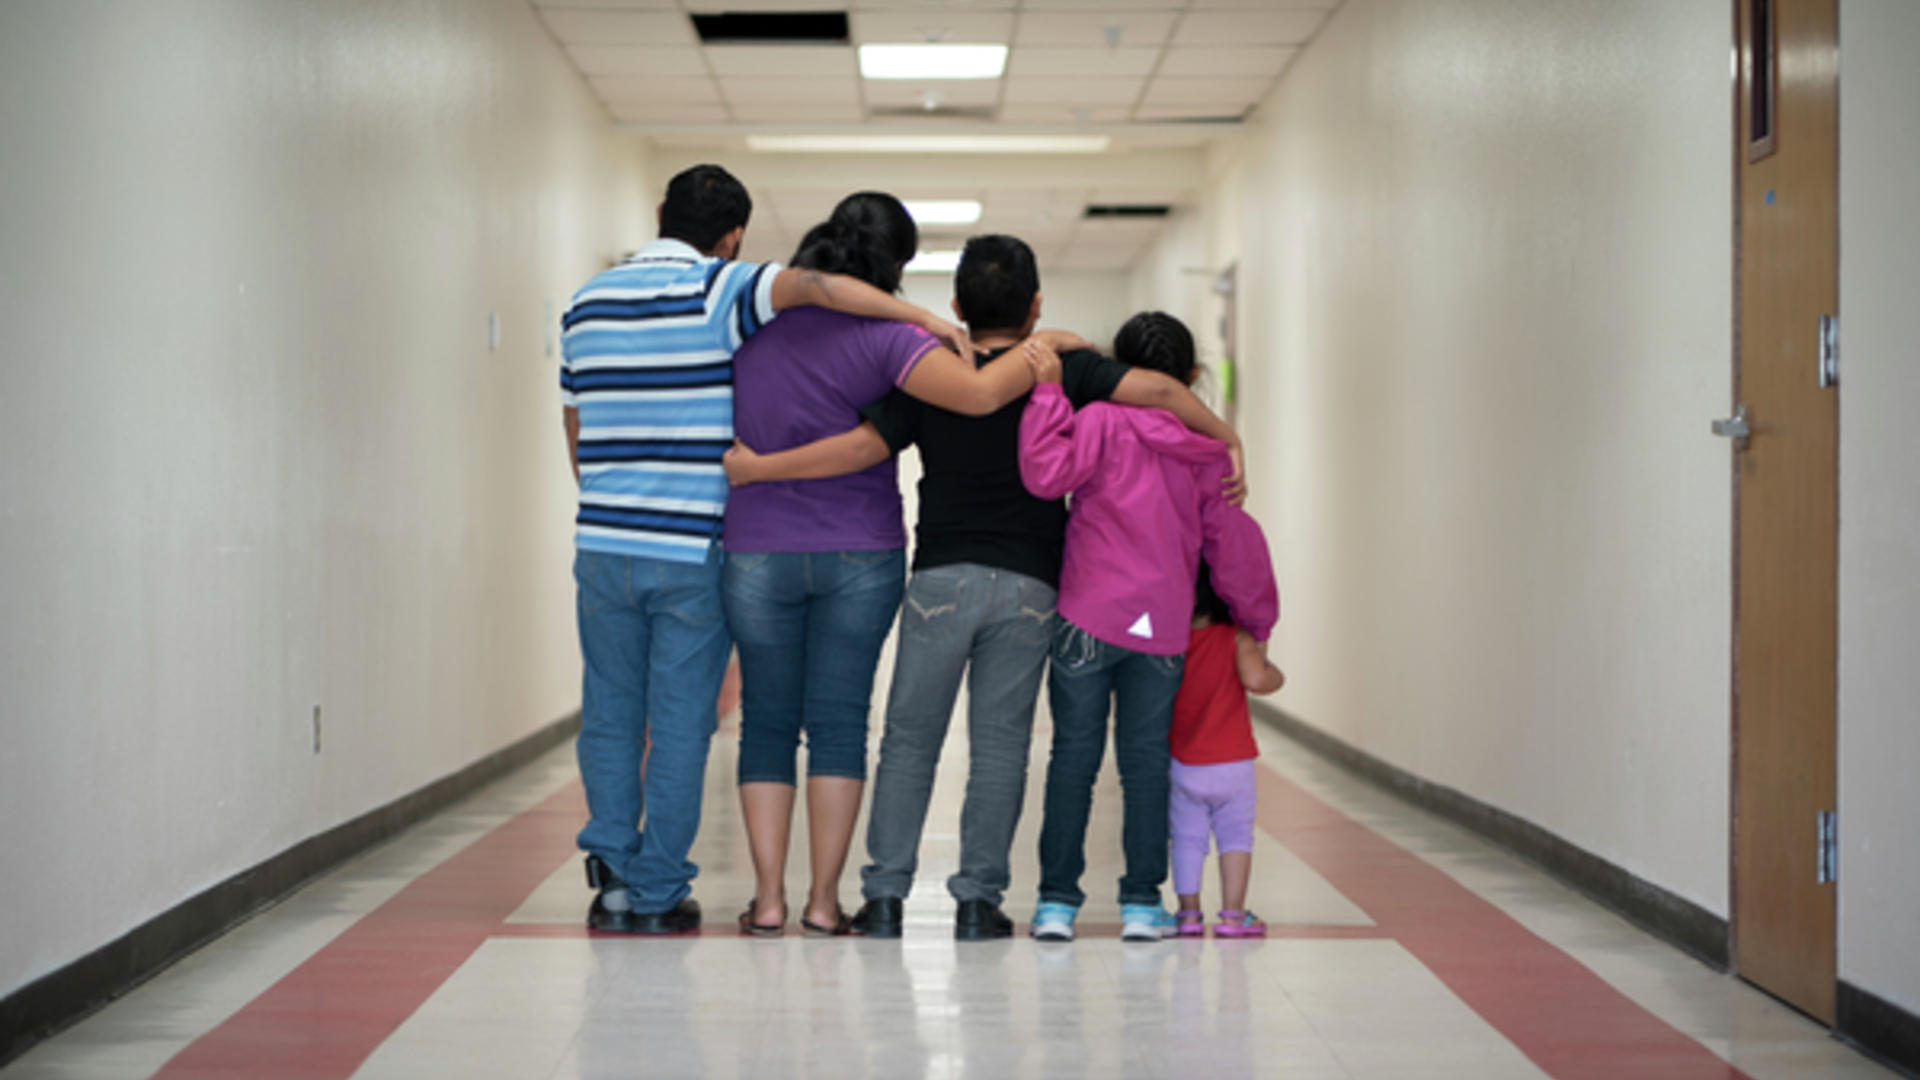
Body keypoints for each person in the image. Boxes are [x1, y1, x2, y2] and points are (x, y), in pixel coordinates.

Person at [724, 237, 1245, 941]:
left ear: (959, 307)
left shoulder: (929, 371)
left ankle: (884, 899)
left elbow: (860, 449)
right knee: (1001, 746)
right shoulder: (1064, 367)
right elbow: (1159, 390)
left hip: (940, 578)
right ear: (1036, 306)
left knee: (909, 740)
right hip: (1032, 586)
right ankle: (977, 902)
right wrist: (1227, 438)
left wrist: (761, 468)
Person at [560, 165, 972, 936]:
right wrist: (918, 315)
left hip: (609, 540)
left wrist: (607, 500)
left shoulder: (584, 303)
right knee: (686, 722)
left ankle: (617, 880)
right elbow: (819, 289)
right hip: (694, 545)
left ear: (658, 212)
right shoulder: (724, 290)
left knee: (615, 714)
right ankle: (668, 896)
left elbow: (576, 423)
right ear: (734, 235)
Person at [725, 194, 1047, 937]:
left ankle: (782, 898)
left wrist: (756, 470)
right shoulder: (894, 341)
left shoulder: (748, 326)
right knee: (841, 726)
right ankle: (825, 902)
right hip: (860, 552)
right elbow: (975, 393)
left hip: (755, 547)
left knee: (768, 724)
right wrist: (1045, 345)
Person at [1016, 312, 1279, 942]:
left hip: (1086, 616)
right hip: (1161, 628)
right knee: (1144, 764)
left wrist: (1050, 394)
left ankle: (1056, 904)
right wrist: (1255, 622)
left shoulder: (1100, 420)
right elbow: (1234, 546)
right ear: (1189, 378)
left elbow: (1045, 475)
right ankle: (1140, 903)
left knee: (1073, 759)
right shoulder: (1206, 455)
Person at [1169, 562, 1285, 938]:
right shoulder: (1236, 638)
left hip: (1183, 761)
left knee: (1187, 837)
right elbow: (1256, 678)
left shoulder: (1172, 641)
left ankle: (1188, 915)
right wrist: (1276, 674)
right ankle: (1233, 917)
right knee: (1235, 837)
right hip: (1232, 761)